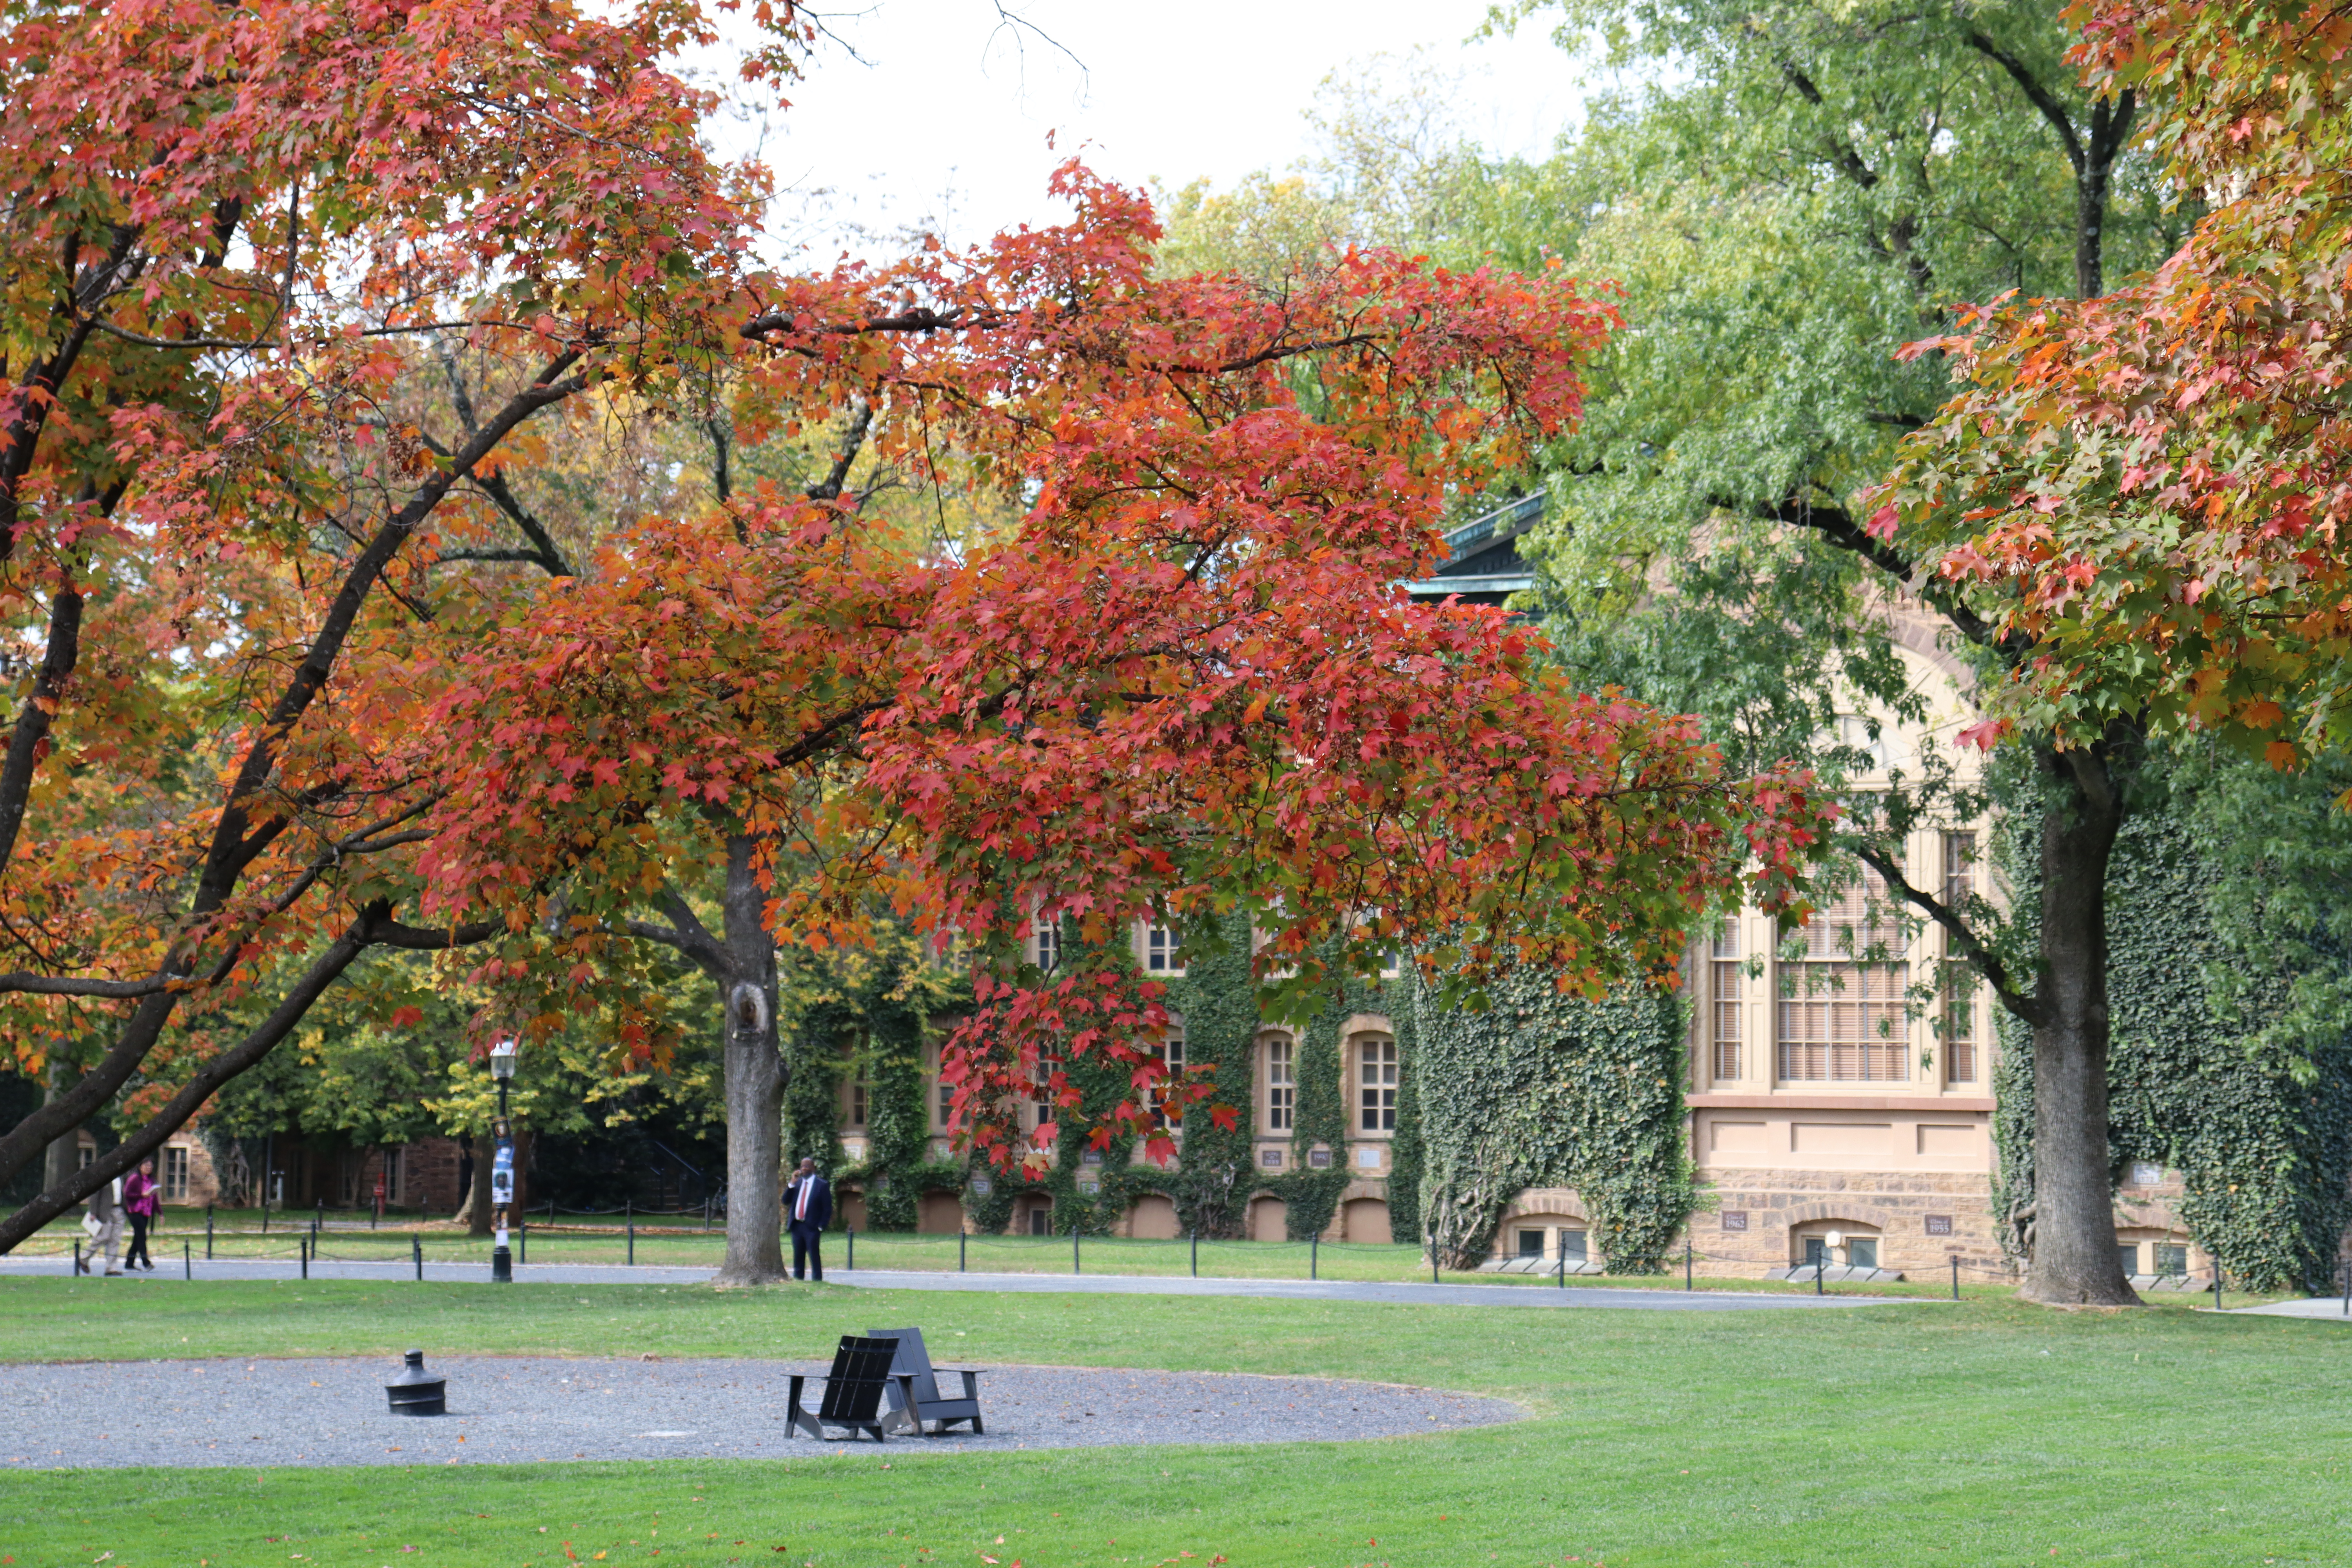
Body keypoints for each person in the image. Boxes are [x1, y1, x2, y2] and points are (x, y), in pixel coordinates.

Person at [783, 1157, 831, 1282]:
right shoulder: (797, 1184)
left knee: (814, 1255)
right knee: (798, 1255)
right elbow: (785, 1201)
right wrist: (791, 1184)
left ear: (813, 1168)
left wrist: (821, 1226)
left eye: (807, 1166)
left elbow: (827, 1208)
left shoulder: (822, 1185)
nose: (804, 1168)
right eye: (802, 1166)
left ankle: (817, 1280)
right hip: (797, 1226)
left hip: (812, 1226)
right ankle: (799, 1279)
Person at [80, 1172, 123, 1277]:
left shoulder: (121, 1176)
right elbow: (94, 1195)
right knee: (104, 1236)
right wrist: (93, 1212)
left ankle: (111, 1268)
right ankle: (84, 1258)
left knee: (115, 1240)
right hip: (104, 1211)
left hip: (119, 1209)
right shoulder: (102, 1176)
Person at [122, 1156, 160, 1271]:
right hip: (134, 1211)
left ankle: (130, 1262)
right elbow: (127, 1194)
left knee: (138, 1236)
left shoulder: (151, 1180)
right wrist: (141, 1195)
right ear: (140, 1167)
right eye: (146, 1166)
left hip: (146, 1211)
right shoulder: (134, 1179)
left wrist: (160, 1212)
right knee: (142, 1236)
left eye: (150, 1166)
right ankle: (146, 1262)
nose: (149, 1168)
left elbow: (154, 1197)